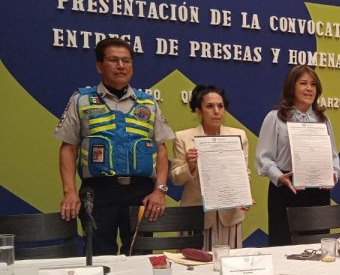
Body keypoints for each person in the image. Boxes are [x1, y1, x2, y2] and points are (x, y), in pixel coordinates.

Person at [55, 37, 174, 255]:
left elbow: (161, 149)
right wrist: (69, 192)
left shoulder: (148, 103)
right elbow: (68, 149)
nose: (121, 66)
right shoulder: (81, 100)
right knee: (100, 257)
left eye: (126, 61)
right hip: (98, 193)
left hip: (141, 193)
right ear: (99, 66)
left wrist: (160, 190)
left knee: (140, 258)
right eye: (113, 60)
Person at [255, 65, 340, 246]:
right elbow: (264, 157)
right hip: (287, 188)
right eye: (303, 83)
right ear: (291, 86)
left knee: (317, 246)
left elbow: (333, 156)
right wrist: (279, 176)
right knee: (284, 246)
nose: (309, 88)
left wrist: (334, 172)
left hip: (318, 190)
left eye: (313, 84)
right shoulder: (275, 117)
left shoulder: (323, 119)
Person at [171, 85, 250, 249]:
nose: (216, 111)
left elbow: (244, 173)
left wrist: (242, 196)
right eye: (210, 106)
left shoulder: (239, 136)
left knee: (228, 262)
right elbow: (175, 179)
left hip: (229, 214)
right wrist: (189, 166)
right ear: (198, 111)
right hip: (196, 214)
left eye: (220, 106)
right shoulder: (182, 137)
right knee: (193, 263)